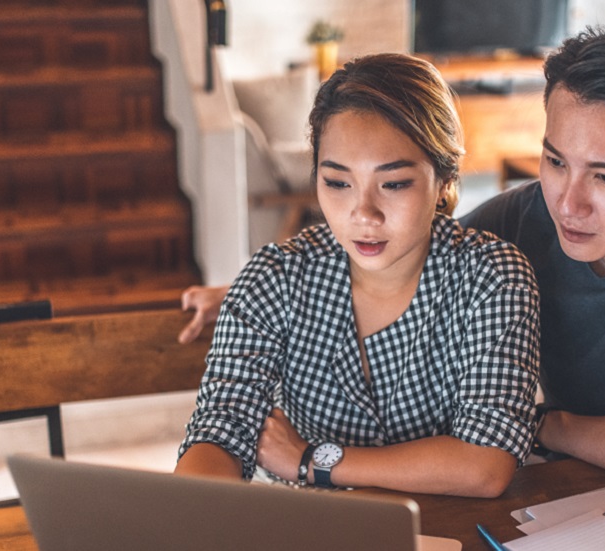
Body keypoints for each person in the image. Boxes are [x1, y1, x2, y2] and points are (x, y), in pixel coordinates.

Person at [179, 13, 605, 501]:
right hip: (564, 494)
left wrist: (535, 425)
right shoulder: (523, 219)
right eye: (555, 160)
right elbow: (395, 250)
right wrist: (242, 292)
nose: (568, 202)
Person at [174, 53, 541, 498]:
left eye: (394, 183)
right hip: (316, 531)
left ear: (444, 179)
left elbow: (486, 463)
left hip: (451, 529)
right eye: (337, 182)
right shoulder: (274, 279)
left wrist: (312, 460)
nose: (362, 214)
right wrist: (188, 514)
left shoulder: (492, 278)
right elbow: (221, 430)